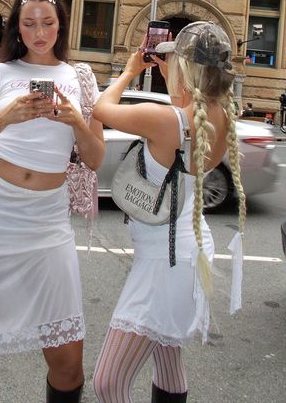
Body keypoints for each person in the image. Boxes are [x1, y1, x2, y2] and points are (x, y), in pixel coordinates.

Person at [0, 0, 105, 403]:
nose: (39, 33)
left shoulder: (80, 79)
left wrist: (76, 121)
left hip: (46, 224)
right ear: (17, 28)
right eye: (29, 24)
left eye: (48, 23)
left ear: (60, 26)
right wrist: (4, 117)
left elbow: (95, 159)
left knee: (69, 362)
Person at [92, 21, 246, 403]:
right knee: (168, 362)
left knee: (108, 383)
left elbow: (101, 108)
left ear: (186, 71)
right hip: (188, 255)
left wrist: (130, 71)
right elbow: (185, 102)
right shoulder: (219, 112)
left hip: (166, 264)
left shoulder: (166, 122)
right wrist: (166, 67)